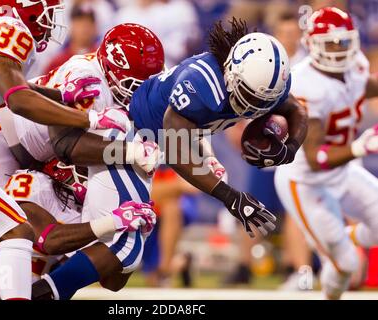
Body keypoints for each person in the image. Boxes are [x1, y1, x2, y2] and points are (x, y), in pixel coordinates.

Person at [31, 18, 309, 300]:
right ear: (231, 72)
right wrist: (229, 197)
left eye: (263, 102)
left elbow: (296, 109)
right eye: (249, 96)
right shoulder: (201, 82)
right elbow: (175, 148)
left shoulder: (264, 83)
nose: (254, 109)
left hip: (152, 149)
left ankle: (51, 275)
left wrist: (291, 148)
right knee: (123, 248)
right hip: (129, 137)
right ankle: (39, 294)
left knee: (116, 278)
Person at [0, 0, 127, 300]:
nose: (52, 22)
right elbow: (19, 100)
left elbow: (14, 87)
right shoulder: (13, 31)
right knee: (18, 233)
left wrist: (62, 95)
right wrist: (88, 117)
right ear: (29, 9)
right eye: (48, 12)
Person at [0, 160, 156, 299]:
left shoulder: (91, 215)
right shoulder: (33, 184)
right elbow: (48, 240)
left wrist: (135, 238)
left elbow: (112, 283)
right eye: (87, 169)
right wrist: (112, 223)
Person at [274, 7, 378, 299]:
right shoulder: (306, 85)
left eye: (344, 41)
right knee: (347, 263)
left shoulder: (354, 64)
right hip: (306, 180)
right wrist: (360, 146)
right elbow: (315, 158)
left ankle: (344, 238)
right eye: (331, 42)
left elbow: (363, 87)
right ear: (312, 44)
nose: (339, 48)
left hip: (342, 170)